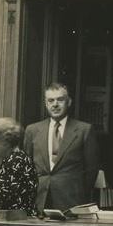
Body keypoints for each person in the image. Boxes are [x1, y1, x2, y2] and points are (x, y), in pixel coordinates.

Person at [21, 81, 102, 211]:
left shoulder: (84, 130)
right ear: (46, 104)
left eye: (60, 100)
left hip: (71, 200)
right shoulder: (32, 130)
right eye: (51, 101)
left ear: (69, 102)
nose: (55, 105)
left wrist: (78, 192)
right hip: (39, 199)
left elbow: (91, 170)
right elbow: (27, 167)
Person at [0, 115, 38, 214]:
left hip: (18, 222)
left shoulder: (15, 162)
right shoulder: (17, 158)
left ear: (6, 142)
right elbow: (1, 194)